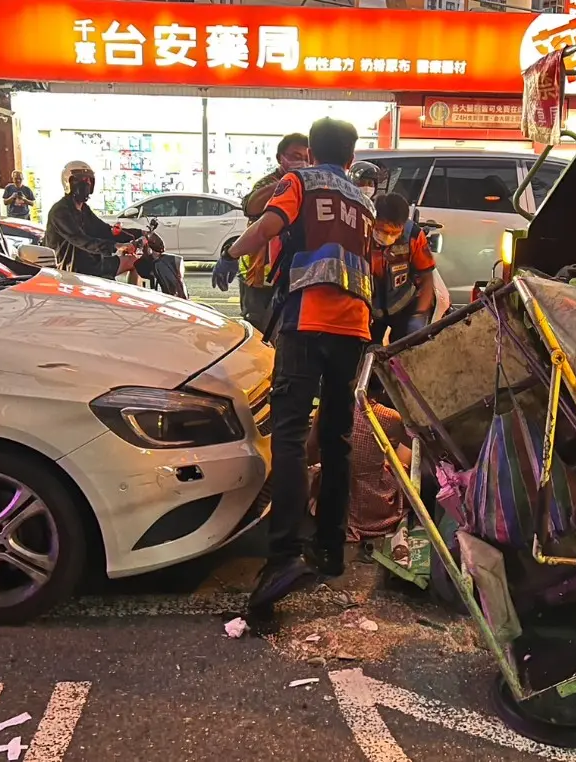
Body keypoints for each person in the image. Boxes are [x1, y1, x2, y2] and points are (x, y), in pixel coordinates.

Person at [216, 117, 375, 611]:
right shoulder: (363, 200)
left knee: (287, 435)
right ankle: (330, 550)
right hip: (355, 327)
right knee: (337, 438)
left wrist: (230, 252)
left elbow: (268, 224)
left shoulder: (299, 181)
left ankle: (283, 553)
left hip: (307, 320)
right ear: (350, 157)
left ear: (311, 152)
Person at [235, 133, 310, 332]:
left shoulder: (308, 186)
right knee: (256, 331)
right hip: (259, 274)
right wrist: (286, 184)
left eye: (305, 158)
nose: (301, 161)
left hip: (291, 275)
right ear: (280, 158)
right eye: (295, 156)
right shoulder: (266, 184)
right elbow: (251, 207)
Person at [43, 160, 139, 278]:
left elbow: (102, 229)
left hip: (91, 262)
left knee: (134, 260)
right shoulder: (60, 211)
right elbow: (79, 239)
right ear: (70, 182)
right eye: (82, 180)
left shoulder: (84, 209)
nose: (87, 183)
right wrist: (115, 246)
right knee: (132, 262)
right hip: (72, 269)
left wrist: (136, 235)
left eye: (89, 180)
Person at [369, 193, 437, 345]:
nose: (388, 236)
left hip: (404, 305)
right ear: (374, 220)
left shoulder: (413, 235)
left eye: (394, 232)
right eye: (383, 230)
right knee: (365, 356)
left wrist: (419, 315)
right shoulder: (361, 233)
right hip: (370, 310)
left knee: (404, 356)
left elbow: (427, 277)